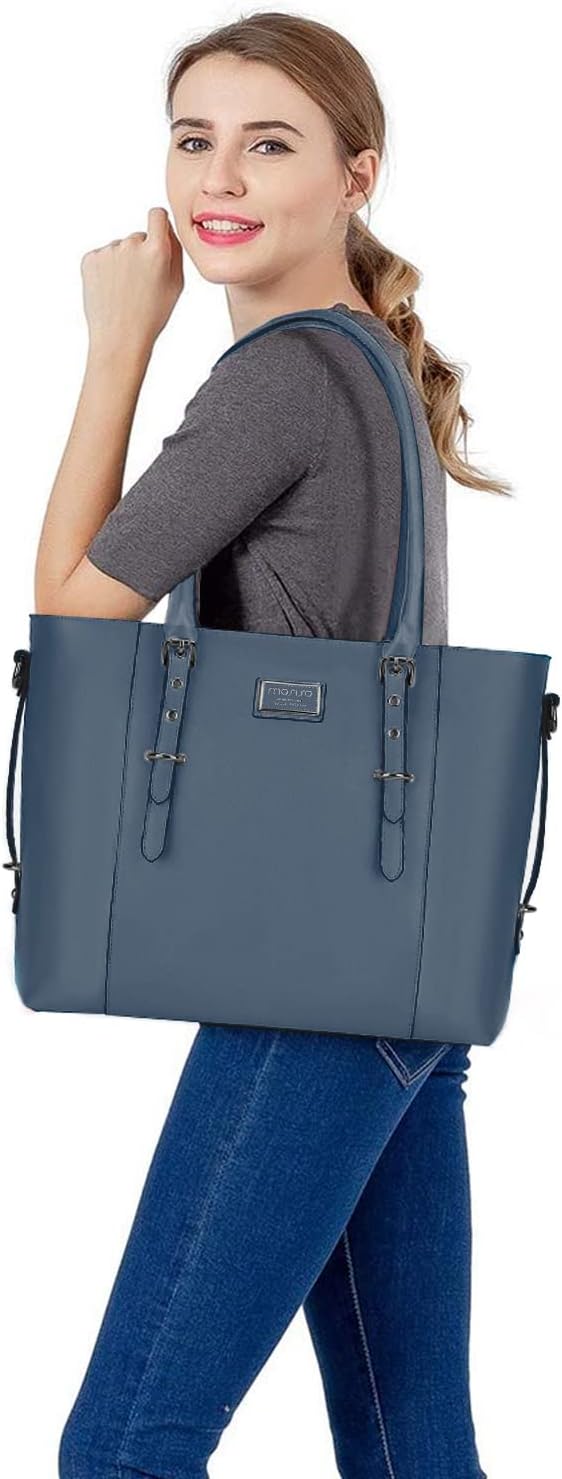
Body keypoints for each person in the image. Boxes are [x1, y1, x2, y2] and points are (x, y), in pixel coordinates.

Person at [40, 13, 508, 1477]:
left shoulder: (284, 377)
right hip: (396, 970)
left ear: (356, 175)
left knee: (124, 1447)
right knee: (410, 1447)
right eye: (194, 140)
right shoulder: (368, 363)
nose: (218, 178)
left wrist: (119, 347)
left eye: (269, 143)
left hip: (312, 976)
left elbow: (75, 623)